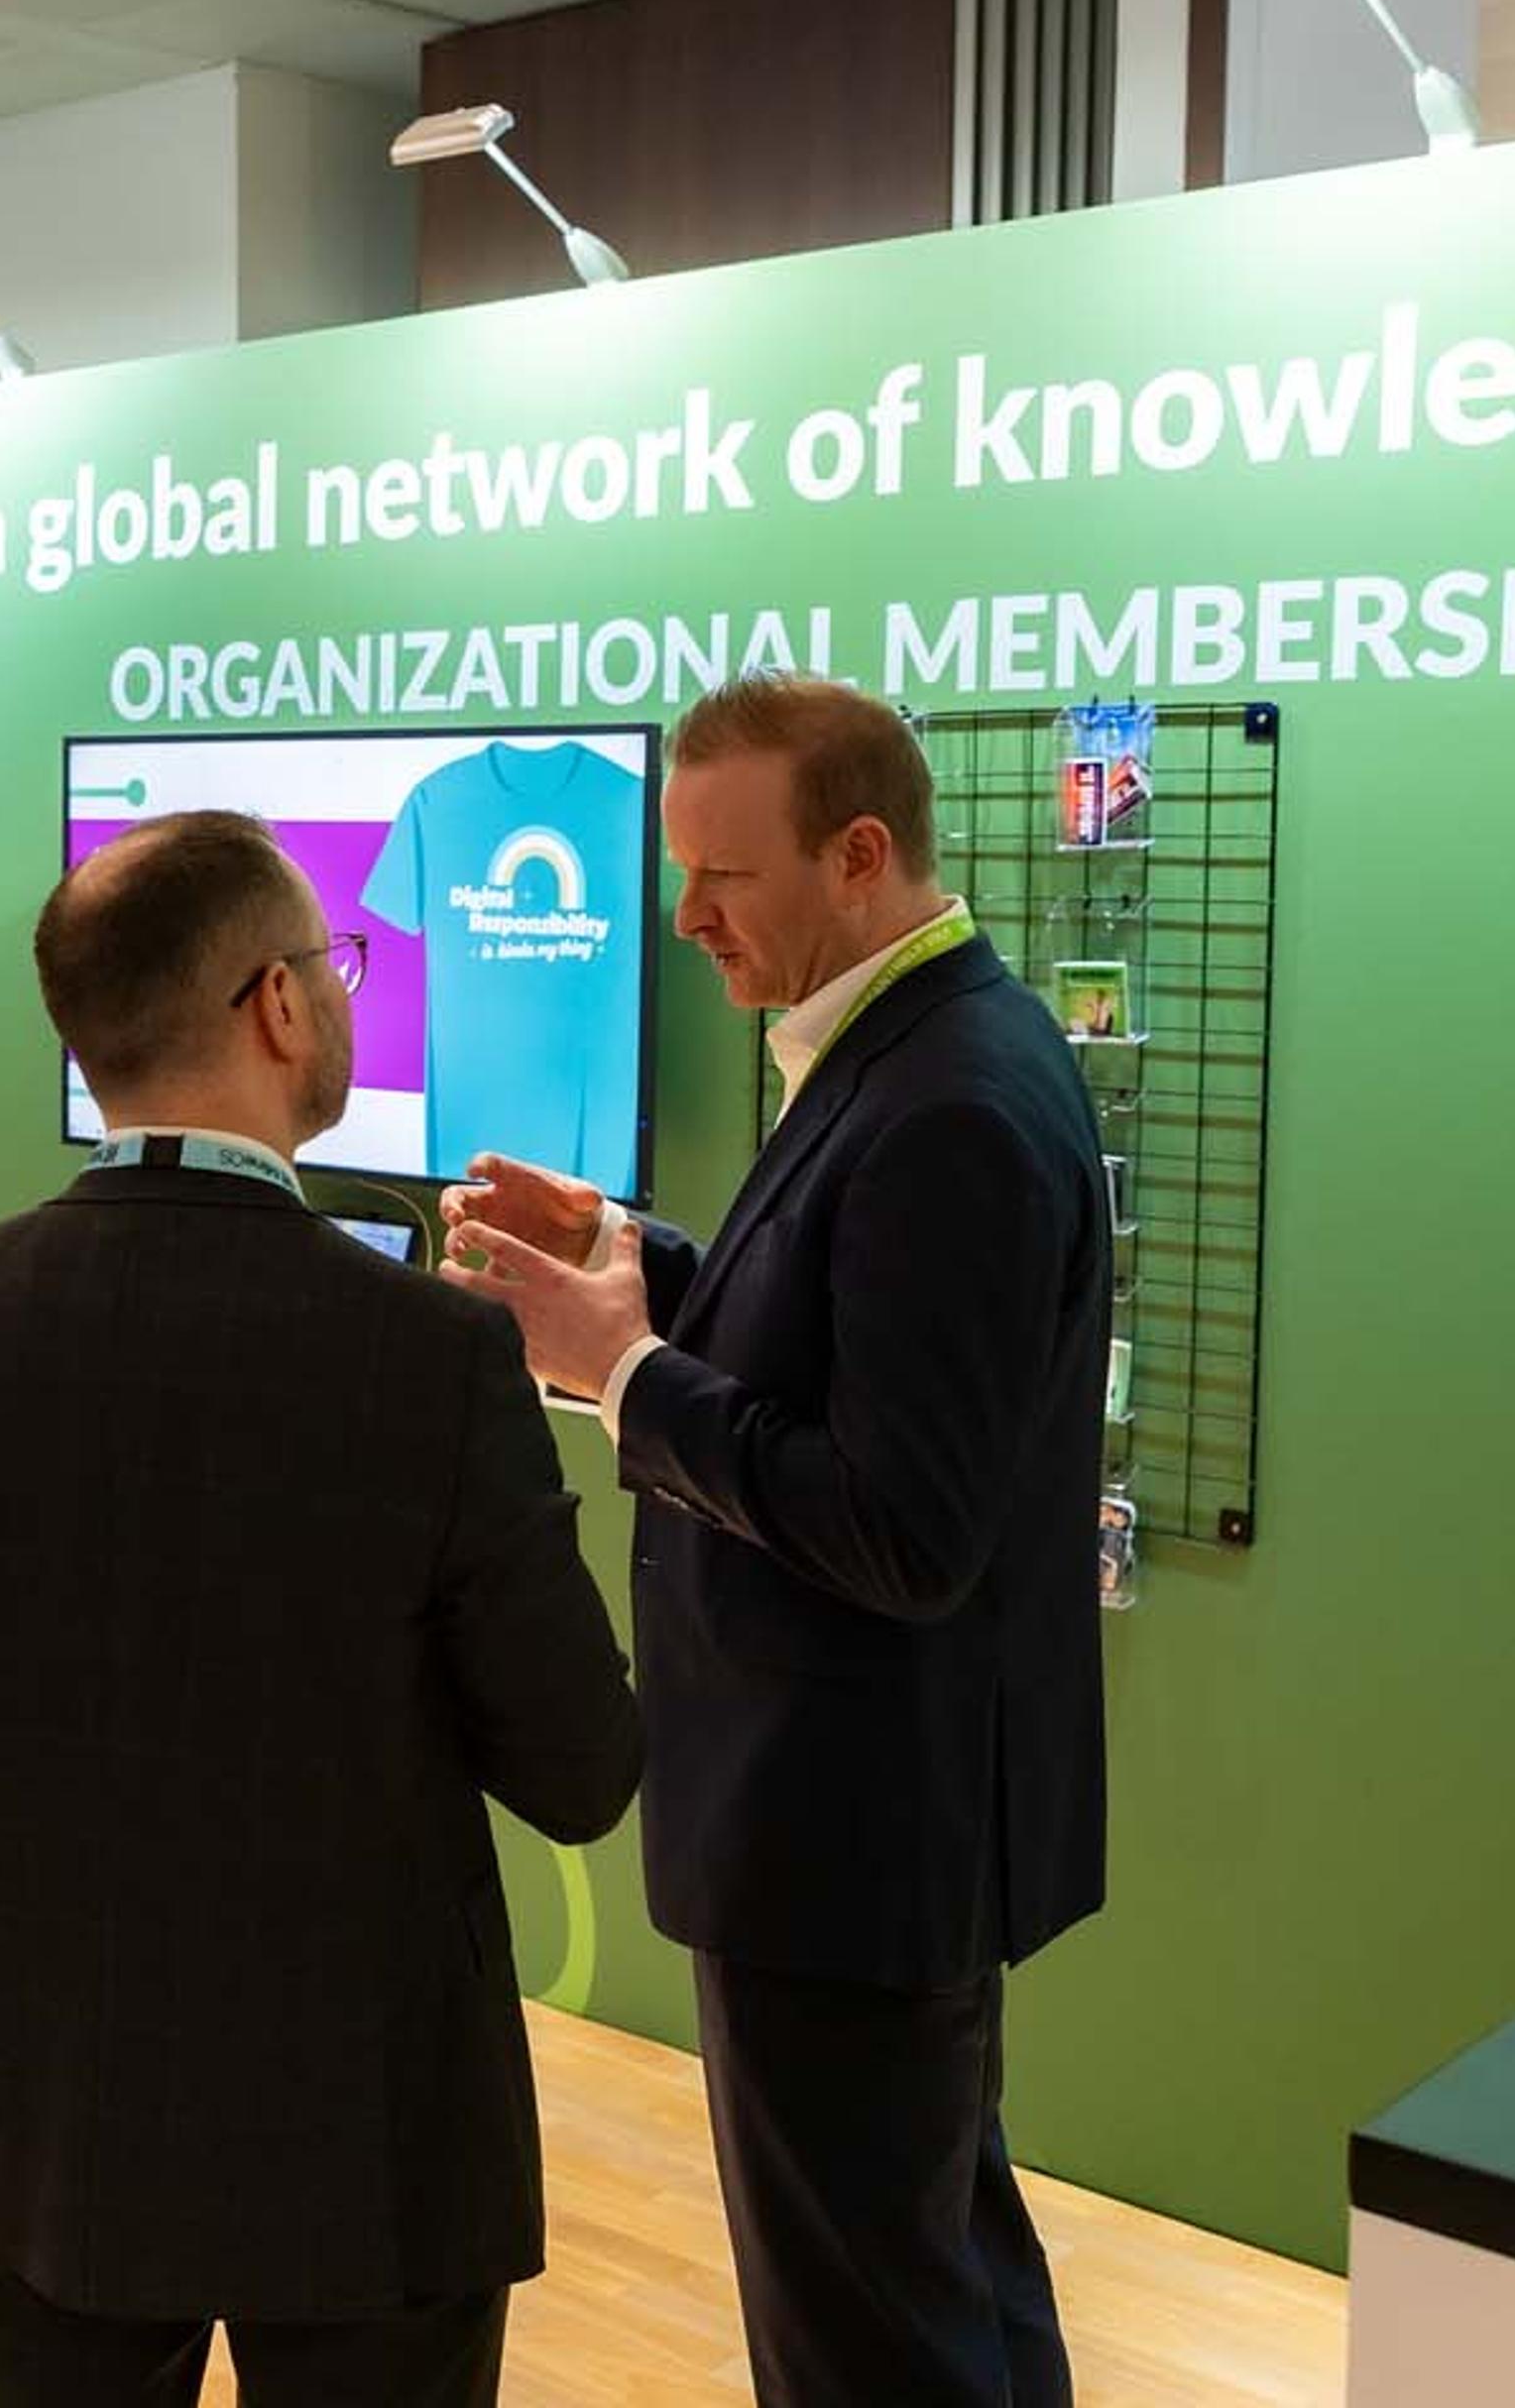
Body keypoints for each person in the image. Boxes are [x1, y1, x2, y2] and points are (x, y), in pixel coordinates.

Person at [0, 810, 641, 2404]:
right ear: (279, 1004)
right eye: (336, 962)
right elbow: (582, 1768)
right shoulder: (438, 1361)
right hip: (365, 2109)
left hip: (34, 2081)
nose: (344, 989)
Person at [441, 674, 1109, 2408]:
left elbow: (901, 1527)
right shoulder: (921, 1047)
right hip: (866, 1835)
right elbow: (839, 1333)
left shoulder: (949, 1101)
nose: (685, 919)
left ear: (861, 855)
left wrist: (623, 1375)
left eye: (722, 877)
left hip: (847, 1845)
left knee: (866, 2340)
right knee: (938, 2282)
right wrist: (638, 1258)